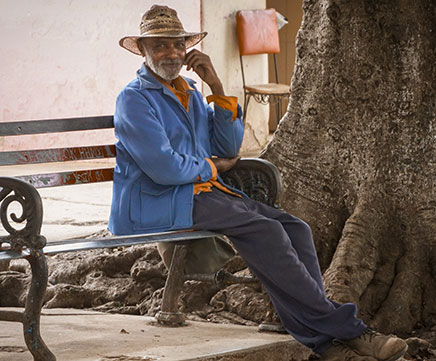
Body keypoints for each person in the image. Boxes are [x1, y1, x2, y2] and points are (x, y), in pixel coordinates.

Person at [109, 5, 408, 361]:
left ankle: (325, 345)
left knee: (294, 228)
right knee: (266, 232)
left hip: (200, 194)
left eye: (177, 45)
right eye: (160, 46)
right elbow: (165, 169)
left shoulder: (187, 89)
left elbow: (228, 145)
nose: (171, 53)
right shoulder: (135, 98)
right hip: (157, 202)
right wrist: (212, 167)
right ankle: (349, 332)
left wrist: (217, 87)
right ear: (143, 51)